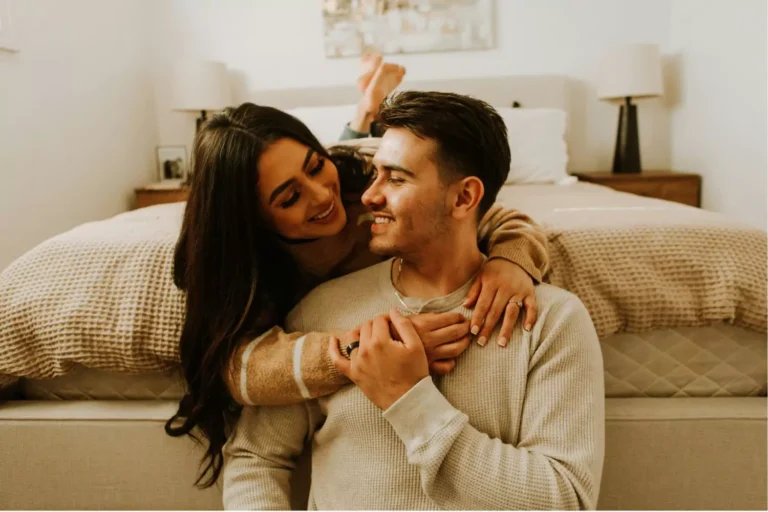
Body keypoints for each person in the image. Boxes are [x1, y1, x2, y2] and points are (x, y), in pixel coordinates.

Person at [165, 56, 551, 488]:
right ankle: (366, 105)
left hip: (352, 155)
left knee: (350, 152)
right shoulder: (252, 267)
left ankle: (365, 114)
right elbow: (241, 368)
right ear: (253, 221)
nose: (320, 196)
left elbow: (492, 215)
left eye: (313, 166)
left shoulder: (360, 180)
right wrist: (355, 351)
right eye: (289, 197)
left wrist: (510, 259)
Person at [222, 91, 605, 510]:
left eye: (396, 178)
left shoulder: (552, 319)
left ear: (463, 198)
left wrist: (408, 398)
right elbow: (256, 457)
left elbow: (566, 500)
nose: (368, 197)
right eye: (374, 174)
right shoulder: (317, 311)